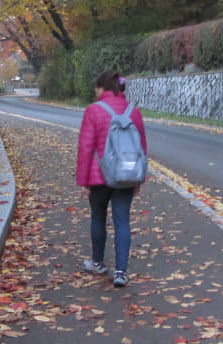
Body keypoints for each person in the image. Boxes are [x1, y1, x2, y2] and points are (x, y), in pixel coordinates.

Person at [76, 71, 147, 287]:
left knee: (98, 217)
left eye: (96, 88)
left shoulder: (94, 110)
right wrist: (139, 179)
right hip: (126, 174)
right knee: (122, 221)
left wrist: (84, 181)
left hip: (99, 176)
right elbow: (141, 147)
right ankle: (120, 272)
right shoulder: (133, 111)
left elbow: (86, 147)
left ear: (101, 88)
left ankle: (98, 262)